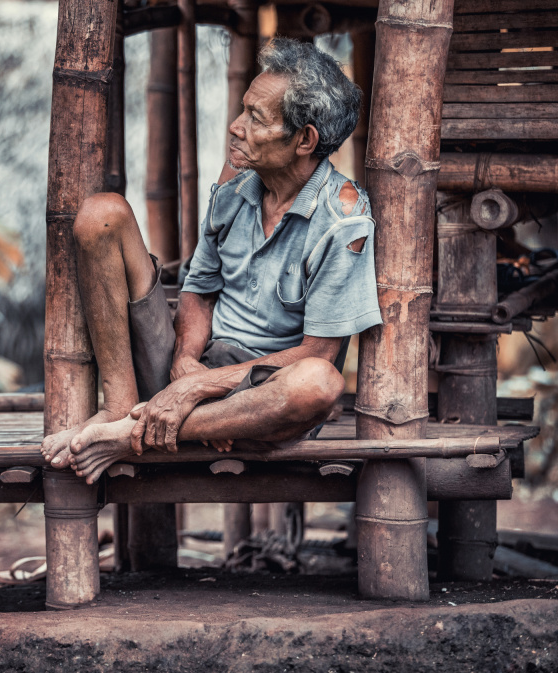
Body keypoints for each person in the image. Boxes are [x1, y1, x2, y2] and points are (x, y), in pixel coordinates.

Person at [41, 38, 382, 484]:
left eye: (255, 117)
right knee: (101, 215)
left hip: (258, 395)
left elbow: (318, 353)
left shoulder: (344, 220)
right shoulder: (237, 178)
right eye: (243, 110)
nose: (235, 126)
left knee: (318, 383)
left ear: (305, 139)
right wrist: (185, 363)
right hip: (193, 362)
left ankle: (132, 433)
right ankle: (121, 407)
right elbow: (200, 288)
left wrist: (198, 390)